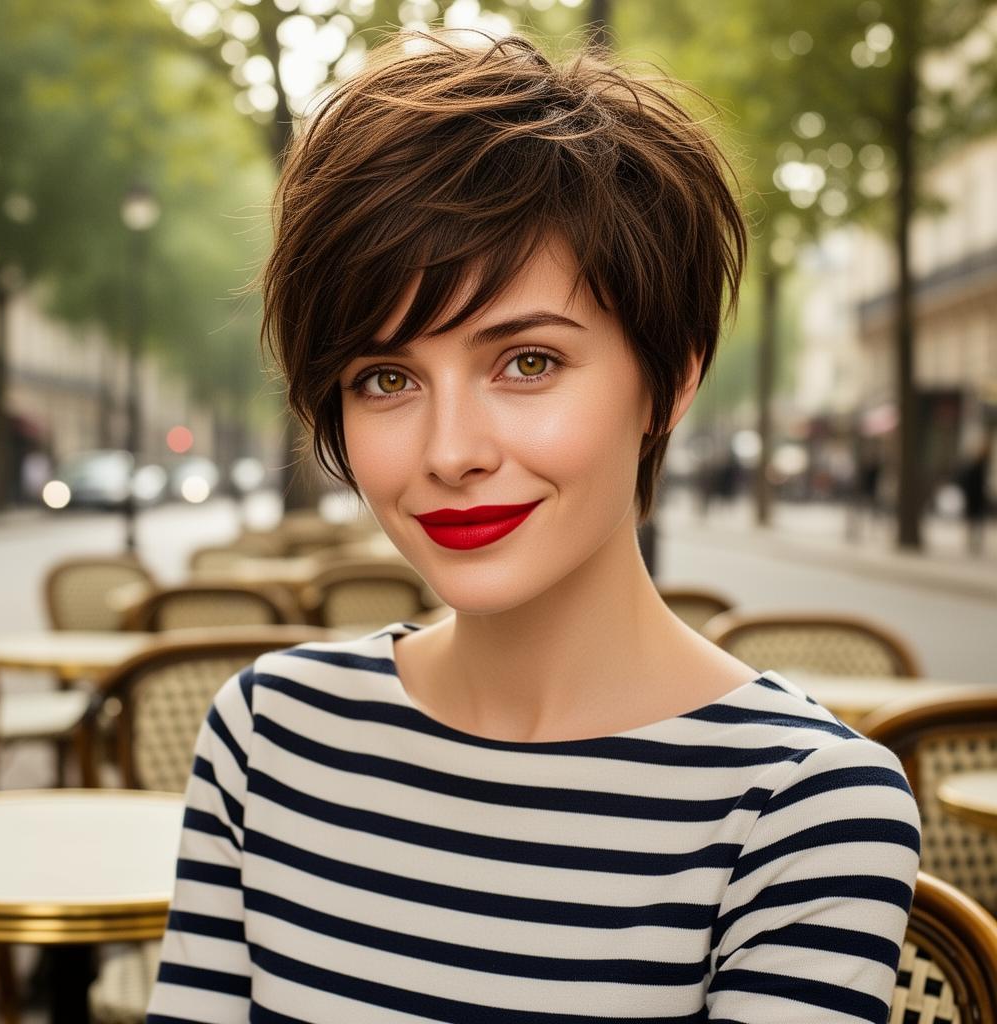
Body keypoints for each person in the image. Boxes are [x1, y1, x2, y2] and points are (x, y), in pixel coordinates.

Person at [147, 30, 921, 1023]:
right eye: (385, 378)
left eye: (527, 363)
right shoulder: (269, 737)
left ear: (669, 377)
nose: (450, 450)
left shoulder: (802, 807)